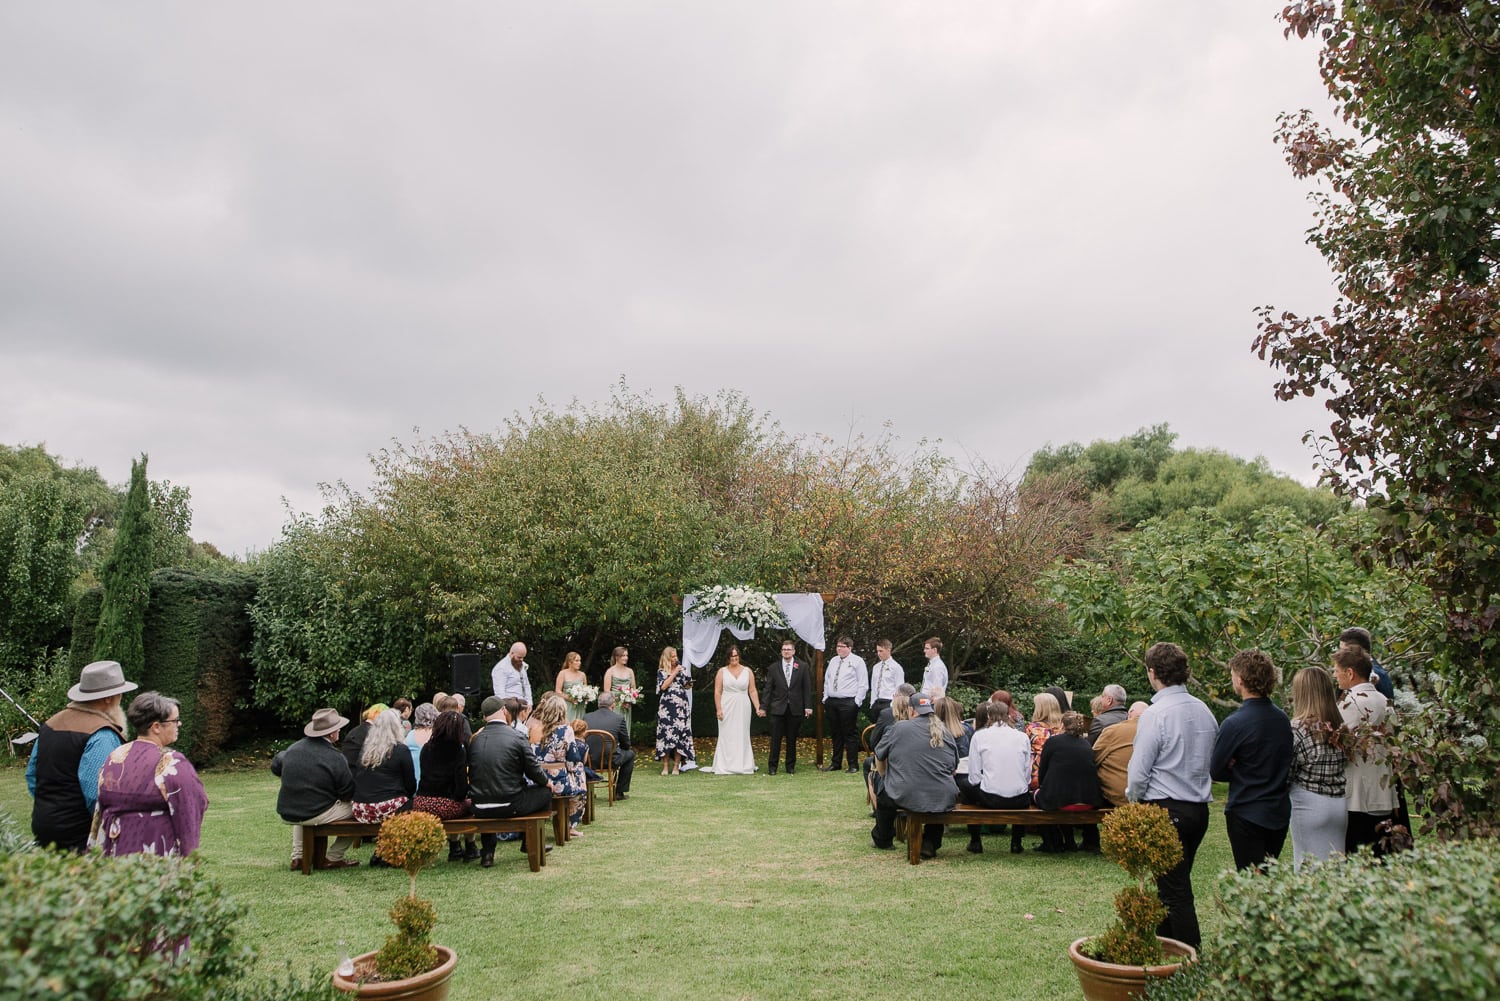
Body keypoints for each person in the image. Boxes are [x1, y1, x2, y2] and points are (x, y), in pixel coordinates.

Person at [1126, 642, 1218, 950]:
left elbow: (1139, 771)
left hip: (1167, 809)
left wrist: (1133, 799)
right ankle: (1164, 946)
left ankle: (1191, 958)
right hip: (1198, 810)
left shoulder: (1156, 714)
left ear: (1152, 673)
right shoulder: (1204, 710)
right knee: (1169, 886)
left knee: (1176, 891)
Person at [28, 659, 138, 852]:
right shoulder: (101, 734)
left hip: (43, 826)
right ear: (108, 698)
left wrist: (51, 805)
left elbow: (32, 775)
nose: (121, 697)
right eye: (120, 692)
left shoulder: (50, 725)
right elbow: (98, 792)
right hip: (80, 835)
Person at [88, 691, 208, 857]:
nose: (179, 724)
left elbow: (100, 810)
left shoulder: (114, 757)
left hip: (116, 852)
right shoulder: (170, 762)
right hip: (154, 853)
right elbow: (191, 805)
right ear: (156, 727)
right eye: (174, 720)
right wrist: (190, 858)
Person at [1210, 649, 1293, 871]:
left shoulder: (1235, 723)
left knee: (1250, 880)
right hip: (1278, 810)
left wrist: (1236, 767)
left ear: (1240, 679)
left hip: (1247, 811)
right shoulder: (1282, 719)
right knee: (1267, 875)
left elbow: (1216, 770)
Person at [870, 694, 959, 858]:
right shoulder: (945, 731)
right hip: (943, 794)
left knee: (884, 793)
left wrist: (884, 777)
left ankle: (883, 839)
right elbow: (953, 768)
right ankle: (930, 842)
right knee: (936, 798)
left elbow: (879, 755)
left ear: (911, 710)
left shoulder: (899, 728)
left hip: (904, 792)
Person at [468, 696, 554, 868]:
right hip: (510, 803)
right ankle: (530, 842)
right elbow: (533, 769)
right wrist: (547, 782)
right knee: (545, 793)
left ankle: (487, 853)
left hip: (479, 806)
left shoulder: (475, 739)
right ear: (505, 711)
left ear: (485, 717)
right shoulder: (517, 737)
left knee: (489, 792)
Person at [272, 708, 360, 870]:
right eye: (337, 728)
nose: (339, 730)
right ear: (331, 734)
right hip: (314, 811)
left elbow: (276, 765)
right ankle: (334, 857)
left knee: (304, 807)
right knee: (361, 811)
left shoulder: (293, 749)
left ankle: (298, 856)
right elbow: (347, 792)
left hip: (288, 810)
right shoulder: (335, 757)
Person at [1334, 646, 1394, 855]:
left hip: (1357, 795)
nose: (1334, 675)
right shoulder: (1385, 702)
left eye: (1337, 670)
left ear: (1350, 673)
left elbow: (1337, 745)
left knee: (1356, 854)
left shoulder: (1350, 704)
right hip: (1383, 791)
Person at [1287, 666, 1349, 868]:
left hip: (1308, 802)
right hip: (1339, 804)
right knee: (1335, 867)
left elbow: (1288, 772)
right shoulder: (1340, 727)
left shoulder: (1298, 728)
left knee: (1306, 865)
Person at [961, 701, 1032, 854]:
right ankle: (1016, 842)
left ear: (988, 716)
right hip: (1019, 797)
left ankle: (975, 840)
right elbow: (1027, 771)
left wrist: (985, 783)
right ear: (1008, 716)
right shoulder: (1022, 737)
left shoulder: (979, 736)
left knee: (966, 786)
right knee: (1021, 787)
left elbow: (973, 774)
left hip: (991, 797)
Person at [1035, 711, 1107, 852]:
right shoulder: (1086, 744)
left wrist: (1042, 786)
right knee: (1065, 793)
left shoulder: (1053, 742)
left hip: (1060, 801)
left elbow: (1042, 772)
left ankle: (1052, 841)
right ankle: (1087, 841)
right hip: (1089, 801)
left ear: (1062, 724)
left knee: (1039, 798)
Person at [412, 709, 476, 862]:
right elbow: (461, 788)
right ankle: (470, 845)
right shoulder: (458, 751)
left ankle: (455, 846)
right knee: (470, 805)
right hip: (445, 805)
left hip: (422, 802)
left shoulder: (427, 748)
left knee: (457, 804)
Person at [352, 709, 416, 844]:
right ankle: (395, 846)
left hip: (361, 808)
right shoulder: (400, 750)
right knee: (415, 803)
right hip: (386, 808)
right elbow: (410, 785)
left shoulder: (366, 750)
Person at [533, 693, 586, 835]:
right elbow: (573, 758)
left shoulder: (534, 727)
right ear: (562, 711)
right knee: (579, 773)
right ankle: (570, 826)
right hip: (559, 782)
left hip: (536, 778)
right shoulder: (566, 730)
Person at [707, 645, 764, 775]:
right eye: (732, 656)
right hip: (727, 705)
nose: (734, 658)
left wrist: (757, 707)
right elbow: (717, 692)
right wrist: (719, 709)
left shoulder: (747, 671)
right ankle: (725, 764)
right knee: (727, 735)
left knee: (742, 733)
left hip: (743, 705)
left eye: (736, 656)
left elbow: (752, 690)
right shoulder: (722, 672)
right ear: (728, 657)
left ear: (739, 656)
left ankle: (744, 764)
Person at [863, 683, 915, 807]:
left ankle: (877, 808)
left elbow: (874, 742)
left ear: (896, 697)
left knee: (867, 764)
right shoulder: (921, 713)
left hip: (890, 760)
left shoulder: (887, 714)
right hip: (915, 761)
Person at [765, 638, 812, 775]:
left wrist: (808, 706)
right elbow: (768, 689)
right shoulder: (773, 668)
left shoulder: (802, 666)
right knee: (775, 740)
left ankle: (790, 766)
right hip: (778, 709)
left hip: (795, 708)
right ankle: (772, 767)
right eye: (784, 649)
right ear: (781, 651)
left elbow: (806, 688)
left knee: (792, 740)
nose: (786, 652)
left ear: (794, 651)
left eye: (789, 649)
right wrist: (763, 707)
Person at [821, 636, 868, 772]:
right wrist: (826, 697)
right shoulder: (834, 661)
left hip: (848, 701)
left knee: (849, 733)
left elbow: (863, 683)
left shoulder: (857, 661)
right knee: (836, 733)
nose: (839, 649)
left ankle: (853, 764)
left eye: (842, 646)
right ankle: (836, 763)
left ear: (849, 648)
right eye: (838, 646)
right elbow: (827, 679)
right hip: (832, 701)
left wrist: (857, 701)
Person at [583, 690, 636, 799]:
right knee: (630, 754)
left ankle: (587, 790)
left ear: (598, 704)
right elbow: (626, 744)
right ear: (612, 705)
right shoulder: (618, 718)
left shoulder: (586, 717)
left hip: (588, 760)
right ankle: (619, 792)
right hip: (610, 760)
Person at [1094, 701, 1147, 808]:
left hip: (1115, 797)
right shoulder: (1157, 731)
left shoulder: (1112, 731)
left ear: (1130, 712)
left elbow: (1093, 760)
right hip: (1148, 797)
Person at [655, 646, 693, 776]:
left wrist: (688, 680)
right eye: (672, 656)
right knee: (666, 735)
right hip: (667, 707)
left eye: (676, 656)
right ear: (667, 658)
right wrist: (675, 672)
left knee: (679, 735)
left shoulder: (682, 669)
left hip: (681, 706)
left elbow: (687, 686)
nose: (675, 658)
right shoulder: (661, 671)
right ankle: (665, 766)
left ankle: (677, 765)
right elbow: (663, 686)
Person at [1338, 626, 1394, 700]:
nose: (1339, 654)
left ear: (1355, 651)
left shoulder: (1367, 675)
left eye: (1342, 650)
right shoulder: (1376, 670)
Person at [867, 639, 905, 723]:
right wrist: (872, 703)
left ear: (888, 650)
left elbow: (900, 689)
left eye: (881, 651)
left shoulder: (896, 667)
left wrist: (893, 705)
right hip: (876, 703)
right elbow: (873, 686)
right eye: (877, 651)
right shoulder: (876, 667)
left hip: (889, 702)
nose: (879, 654)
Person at [601, 646, 637, 732]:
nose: (626, 658)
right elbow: (606, 690)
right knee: (615, 728)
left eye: (626, 655)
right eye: (623, 655)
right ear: (617, 657)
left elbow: (633, 688)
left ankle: (625, 745)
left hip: (627, 705)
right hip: (614, 705)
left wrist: (629, 700)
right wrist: (619, 701)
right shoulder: (610, 671)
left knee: (625, 728)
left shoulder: (630, 671)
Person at [404, 702, 438, 785]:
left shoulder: (410, 736)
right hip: (435, 787)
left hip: (413, 785)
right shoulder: (438, 735)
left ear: (417, 717)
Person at [492, 642, 533, 708]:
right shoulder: (501, 668)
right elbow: (500, 693)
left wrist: (530, 703)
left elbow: (526, 685)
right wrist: (507, 708)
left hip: (524, 705)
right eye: (519, 657)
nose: (521, 660)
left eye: (523, 657)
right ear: (511, 653)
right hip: (510, 708)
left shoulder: (521, 664)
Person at [554, 651, 589, 723]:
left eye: (580, 660)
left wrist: (587, 696)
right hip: (567, 704)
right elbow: (557, 691)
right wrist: (570, 699)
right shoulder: (563, 673)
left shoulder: (582, 675)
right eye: (577, 660)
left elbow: (586, 689)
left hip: (580, 705)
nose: (580, 663)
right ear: (570, 662)